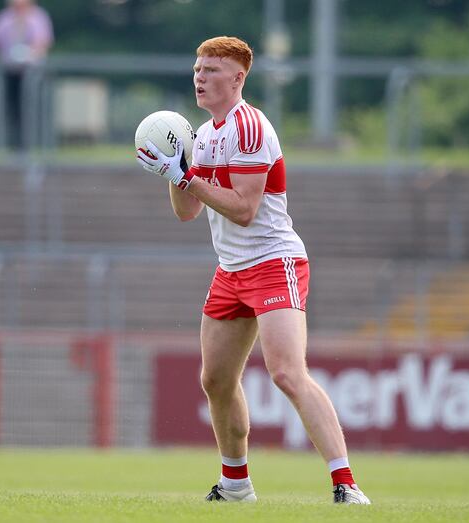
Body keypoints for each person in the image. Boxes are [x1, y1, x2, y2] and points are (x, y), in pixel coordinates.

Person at [136, 36, 371, 505]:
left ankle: (346, 484)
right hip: (230, 270)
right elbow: (187, 211)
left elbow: (244, 210)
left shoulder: (250, 126)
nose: (199, 77)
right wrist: (172, 170)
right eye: (197, 68)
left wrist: (186, 176)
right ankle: (235, 485)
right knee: (216, 381)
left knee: (286, 373)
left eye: (212, 70)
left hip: (272, 261)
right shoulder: (202, 135)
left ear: (239, 77)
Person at [0, 0, 54, 150]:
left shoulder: (38, 17)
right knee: (14, 111)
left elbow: (42, 41)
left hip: (33, 74)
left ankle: (37, 144)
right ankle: (18, 145)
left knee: (34, 110)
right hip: (12, 72)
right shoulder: (4, 18)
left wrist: (30, 54)